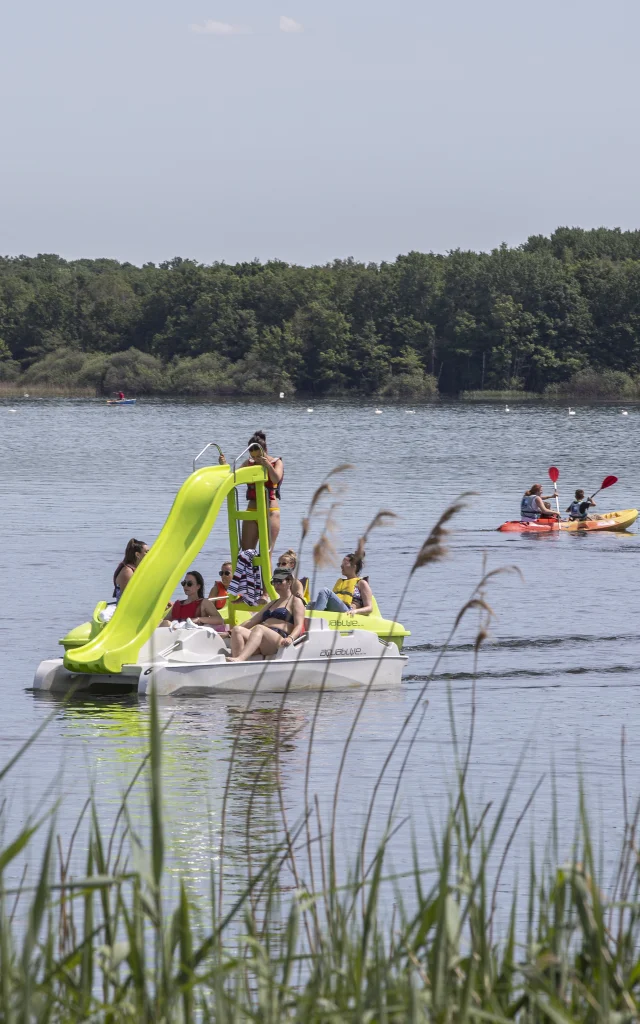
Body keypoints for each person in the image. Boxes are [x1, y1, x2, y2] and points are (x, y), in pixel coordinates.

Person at [219, 431, 283, 550]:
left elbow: (276, 478)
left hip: (270, 511)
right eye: (253, 456)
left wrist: (268, 465)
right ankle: (249, 569)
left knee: (266, 552)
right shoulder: (249, 463)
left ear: (265, 450)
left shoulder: (276, 462)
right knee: (246, 552)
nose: (256, 459)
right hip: (252, 509)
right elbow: (233, 477)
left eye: (258, 456)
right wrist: (224, 465)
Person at [227, 568, 305, 662]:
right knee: (237, 630)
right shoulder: (272, 603)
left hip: (279, 639)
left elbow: (299, 625)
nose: (276, 585)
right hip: (261, 637)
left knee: (259, 628)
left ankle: (240, 659)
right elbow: (251, 621)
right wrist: (228, 633)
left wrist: (290, 638)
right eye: (274, 582)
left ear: (289, 582)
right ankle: (237, 666)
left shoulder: (296, 601)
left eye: (279, 581)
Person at [160, 570, 226, 630]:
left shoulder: (203, 603)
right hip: (175, 635)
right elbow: (165, 620)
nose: (185, 586)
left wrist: (198, 619)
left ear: (198, 586)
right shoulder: (178, 604)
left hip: (192, 637)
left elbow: (220, 620)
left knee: (166, 624)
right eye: (184, 583)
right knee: (165, 623)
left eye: (189, 584)